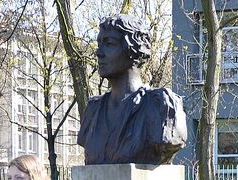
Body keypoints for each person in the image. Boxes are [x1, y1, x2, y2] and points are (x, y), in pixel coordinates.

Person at [77, 14, 187, 165]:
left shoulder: (161, 106)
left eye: (109, 44)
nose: (99, 52)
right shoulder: (93, 110)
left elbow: (170, 140)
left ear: (133, 50)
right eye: (99, 44)